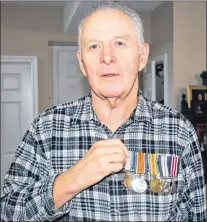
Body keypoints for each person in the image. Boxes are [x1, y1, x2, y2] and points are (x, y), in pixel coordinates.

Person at [1, 2, 206, 221]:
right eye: (94, 46)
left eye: (119, 42)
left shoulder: (179, 131)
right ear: (81, 63)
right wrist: (73, 179)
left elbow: (196, 214)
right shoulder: (45, 129)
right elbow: (7, 212)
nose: (107, 57)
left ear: (142, 56)